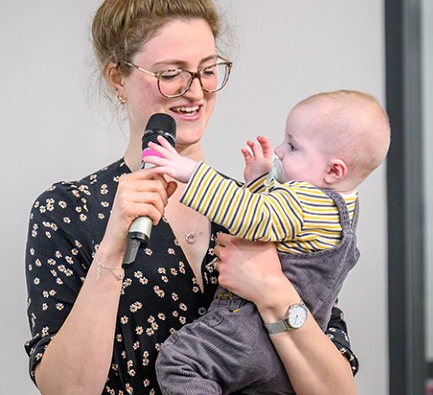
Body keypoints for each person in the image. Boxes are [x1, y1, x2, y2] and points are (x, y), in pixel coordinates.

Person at [23, 0, 360, 395]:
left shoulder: (260, 206)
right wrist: (112, 251)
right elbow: (65, 390)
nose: (196, 91)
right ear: (118, 78)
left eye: (207, 69)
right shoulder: (67, 211)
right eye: (170, 73)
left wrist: (274, 294)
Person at [145, 90, 390, 394]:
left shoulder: (307, 200)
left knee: (181, 362)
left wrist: (189, 172)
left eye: (293, 146)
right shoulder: (341, 207)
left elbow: (255, 218)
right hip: (286, 353)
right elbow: (278, 224)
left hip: (250, 331)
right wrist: (261, 182)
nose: (279, 150)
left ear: (333, 170)